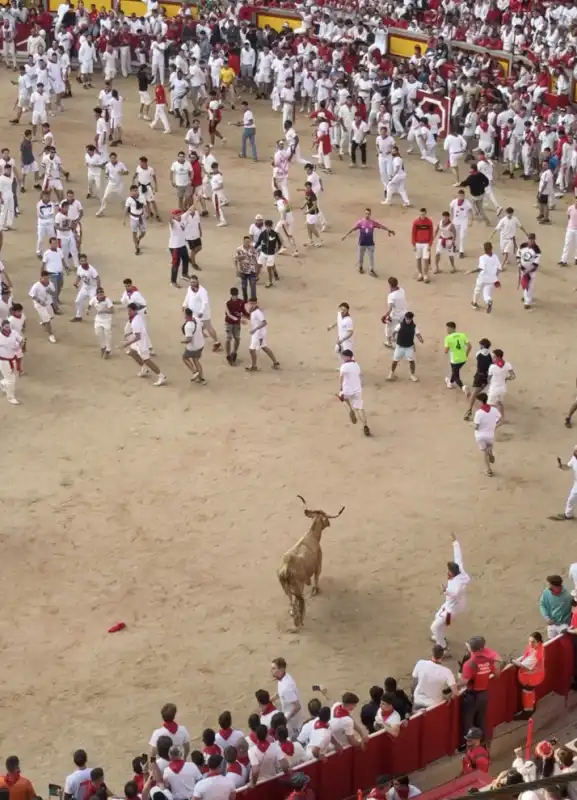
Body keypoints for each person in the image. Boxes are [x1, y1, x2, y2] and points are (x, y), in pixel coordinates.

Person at [430, 534, 470, 652]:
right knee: (438, 620)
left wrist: (445, 590)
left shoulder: (456, 584)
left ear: (452, 573)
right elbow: (458, 557)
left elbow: (454, 593)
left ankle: (443, 647)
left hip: (451, 610)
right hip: (451, 605)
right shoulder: (460, 570)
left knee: (435, 627)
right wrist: (455, 543)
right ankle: (440, 638)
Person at [460, 636, 501, 741]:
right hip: (484, 694)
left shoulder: (469, 664)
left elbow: (464, 682)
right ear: (482, 648)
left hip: (472, 696)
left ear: (471, 648)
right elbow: (497, 675)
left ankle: (470, 745)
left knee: (468, 721)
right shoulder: (488, 661)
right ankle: (484, 744)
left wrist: (454, 684)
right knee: (481, 720)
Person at [121, 303, 166, 386]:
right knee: (131, 352)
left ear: (134, 310)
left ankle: (161, 376)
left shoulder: (135, 322)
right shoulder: (136, 317)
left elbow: (138, 337)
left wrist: (126, 343)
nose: (128, 312)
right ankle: (144, 368)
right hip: (138, 341)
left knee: (147, 360)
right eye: (128, 310)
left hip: (141, 343)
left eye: (130, 310)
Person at [341, 208, 395, 277]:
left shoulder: (373, 222)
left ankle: (371, 270)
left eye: (368, 214)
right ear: (365, 214)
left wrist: (388, 230)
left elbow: (381, 226)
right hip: (362, 243)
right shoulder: (360, 222)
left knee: (371, 257)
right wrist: (345, 235)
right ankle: (360, 267)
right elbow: (353, 229)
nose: (367, 215)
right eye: (366, 213)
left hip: (370, 243)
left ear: (370, 214)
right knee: (361, 256)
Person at [412, 645, 458, 709]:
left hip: (417, 699)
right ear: (442, 656)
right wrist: (448, 697)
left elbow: (414, 683)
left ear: (432, 653)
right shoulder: (447, 672)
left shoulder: (420, 663)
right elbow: (455, 693)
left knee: (415, 718)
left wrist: (414, 696)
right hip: (433, 705)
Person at [512, 632, 545, 720]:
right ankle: (532, 706)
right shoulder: (539, 648)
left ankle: (527, 712)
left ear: (539, 642)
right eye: (530, 641)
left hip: (531, 679)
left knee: (527, 694)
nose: (530, 644)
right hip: (535, 677)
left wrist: (513, 661)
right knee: (530, 692)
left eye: (533, 642)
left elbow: (523, 665)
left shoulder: (535, 655)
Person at [338, 349, 370, 437]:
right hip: (357, 389)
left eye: (344, 356)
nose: (343, 358)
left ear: (347, 357)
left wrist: (340, 386)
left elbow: (341, 377)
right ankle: (365, 425)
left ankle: (350, 410)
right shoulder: (357, 365)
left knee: (342, 397)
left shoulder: (344, 366)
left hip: (347, 389)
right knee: (360, 408)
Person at [387, 311, 423, 383]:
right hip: (399, 346)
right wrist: (393, 337)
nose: (408, 320)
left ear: (412, 319)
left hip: (409, 347)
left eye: (409, 319)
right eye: (407, 319)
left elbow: (418, 334)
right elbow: (394, 332)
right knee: (395, 361)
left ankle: (412, 375)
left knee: (412, 361)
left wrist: (420, 339)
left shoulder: (414, 327)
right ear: (405, 318)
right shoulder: (400, 325)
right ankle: (391, 373)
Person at [245, 298, 279, 372]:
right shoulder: (253, 311)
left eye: (252, 304)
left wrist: (254, 329)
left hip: (258, 334)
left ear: (256, 303)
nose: (251, 305)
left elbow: (264, 323)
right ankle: (275, 362)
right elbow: (252, 319)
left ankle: (254, 366)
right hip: (257, 333)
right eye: (250, 304)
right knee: (264, 347)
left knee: (251, 349)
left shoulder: (258, 312)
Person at [468, 242, 502, 314]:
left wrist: (471, 271)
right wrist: (495, 276)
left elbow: (481, 268)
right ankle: (488, 301)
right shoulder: (495, 257)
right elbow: (499, 268)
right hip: (492, 279)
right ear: (491, 248)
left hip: (483, 278)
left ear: (484, 249)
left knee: (477, 290)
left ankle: (474, 303)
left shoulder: (482, 258)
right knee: (486, 294)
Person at [487, 349, 515, 422]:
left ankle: (491, 419)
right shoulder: (508, 364)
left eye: (494, 357)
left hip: (494, 389)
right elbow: (513, 376)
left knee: (489, 405)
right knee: (499, 403)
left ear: (498, 357)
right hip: (503, 388)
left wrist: (489, 384)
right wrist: (506, 378)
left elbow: (489, 378)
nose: (492, 358)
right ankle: (502, 418)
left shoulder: (492, 367)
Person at [29, 272, 57, 343]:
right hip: (39, 305)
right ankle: (51, 335)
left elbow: (54, 293)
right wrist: (40, 301)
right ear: (41, 278)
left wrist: (50, 291)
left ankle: (43, 321)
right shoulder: (36, 285)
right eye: (44, 278)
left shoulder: (50, 284)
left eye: (47, 278)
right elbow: (32, 295)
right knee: (47, 320)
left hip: (48, 303)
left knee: (51, 317)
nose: (46, 280)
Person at [444, 322, 471, 393]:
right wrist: (466, 354)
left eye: (447, 328)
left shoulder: (448, 338)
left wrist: (449, 347)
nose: (447, 330)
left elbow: (446, 351)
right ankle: (450, 383)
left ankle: (463, 387)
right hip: (463, 359)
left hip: (454, 360)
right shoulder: (462, 335)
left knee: (456, 375)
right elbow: (469, 346)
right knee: (455, 372)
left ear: (451, 328)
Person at [181, 307, 206, 385]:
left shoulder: (188, 326)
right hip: (201, 344)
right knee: (196, 360)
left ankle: (194, 372)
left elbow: (189, 339)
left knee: (184, 358)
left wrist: (182, 341)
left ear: (186, 315)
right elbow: (203, 325)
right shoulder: (197, 319)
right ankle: (201, 379)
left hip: (193, 347)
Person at [516, 234, 541, 310]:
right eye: (529, 239)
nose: (530, 241)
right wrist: (519, 264)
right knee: (524, 284)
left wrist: (528, 271)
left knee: (530, 286)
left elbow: (535, 264)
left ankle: (527, 302)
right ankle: (526, 296)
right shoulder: (523, 246)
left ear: (534, 240)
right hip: (522, 269)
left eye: (532, 239)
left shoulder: (537, 250)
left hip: (531, 271)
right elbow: (518, 255)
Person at [89, 286, 114, 359]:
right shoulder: (94, 299)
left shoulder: (107, 300)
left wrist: (103, 311)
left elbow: (112, 311)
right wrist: (88, 310)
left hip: (107, 320)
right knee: (98, 333)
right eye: (99, 294)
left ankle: (108, 350)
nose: (101, 295)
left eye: (102, 293)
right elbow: (90, 304)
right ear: (97, 295)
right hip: (98, 320)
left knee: (108, 334)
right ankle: (103, 347)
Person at [383, 278, 408, 350]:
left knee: (388, 328)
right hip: (404, 313)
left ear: (390, 285)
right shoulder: (402, 290)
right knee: (402, 327)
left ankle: (389, 342)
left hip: (395, 315)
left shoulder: (391, 296)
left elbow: (390, 308)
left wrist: (386, 315)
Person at [224, 288, 246, 366]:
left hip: (236, 324)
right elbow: (229, 314)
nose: (234, 297)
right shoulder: (228, 303)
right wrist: (238, 319)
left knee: (237, 338)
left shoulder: (241, 302)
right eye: (233, 295)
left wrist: (243, 317)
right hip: (229, 323)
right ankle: (228, 355)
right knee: (228, 338)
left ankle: (234, 352)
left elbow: (243, 312)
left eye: (235, 295)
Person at [411, 208, 434, 283]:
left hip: (426, 244)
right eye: (421, 214)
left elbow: (431, 234)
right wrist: (414, 244)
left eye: (423, 214)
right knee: (418, 259)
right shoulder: (416, 222)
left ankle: (426, 275)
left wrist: (430, 244)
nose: (422, 216)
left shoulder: (429, 222)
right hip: (418, 243)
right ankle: (420, 274)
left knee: (426, 259)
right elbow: (413, 234)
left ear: (425, 214)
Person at [559, 199, 577, 266]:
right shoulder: (570, 208)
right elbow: (568, 216)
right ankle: (563, 260)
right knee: (567, 244)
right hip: (570, 229)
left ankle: (576, 259)